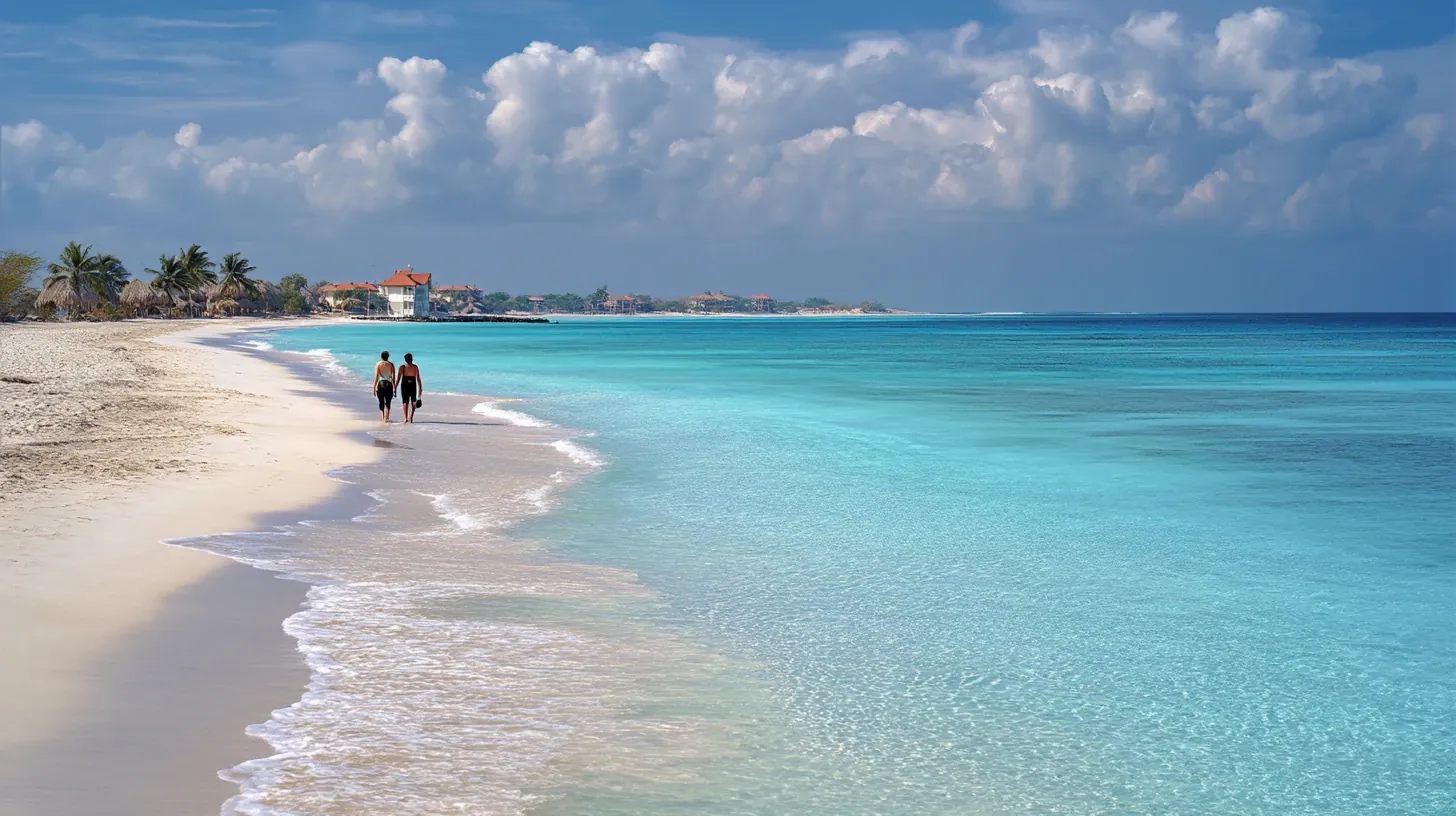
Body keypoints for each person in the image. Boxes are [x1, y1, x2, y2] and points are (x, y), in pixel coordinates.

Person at [395, 352, 423, 424]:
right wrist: (420, 387)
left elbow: (398, 378)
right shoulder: (415, 367)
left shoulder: (402, 367)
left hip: (404, 385)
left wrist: (395, 387)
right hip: (413, 385)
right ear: (412, 359)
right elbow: (418, 378)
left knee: (405, 401)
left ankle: (405, 418)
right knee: (413, 401)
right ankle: (411, 417)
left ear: (405, 359)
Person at [373, 351, 395, 422]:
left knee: (381, 402)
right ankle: (387, 417)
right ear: (388, 357)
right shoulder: (391, 364)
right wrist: (394, 386)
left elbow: (376, 377)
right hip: (389, 384)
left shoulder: (378, 364)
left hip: (380, 384)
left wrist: (374, 387)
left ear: (381, 357)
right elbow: (393, 377)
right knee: (388, 402)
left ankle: (383, 418)